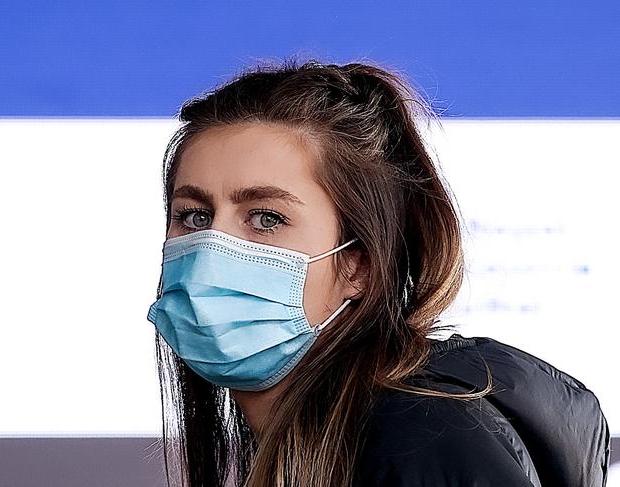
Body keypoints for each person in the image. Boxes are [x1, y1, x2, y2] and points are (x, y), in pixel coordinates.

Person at [146, 58, 610, 487]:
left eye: (267, 218)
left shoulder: (422, 437)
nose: (213, 248)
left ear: (359, 265)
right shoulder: (345, 442)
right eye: (194, 216)